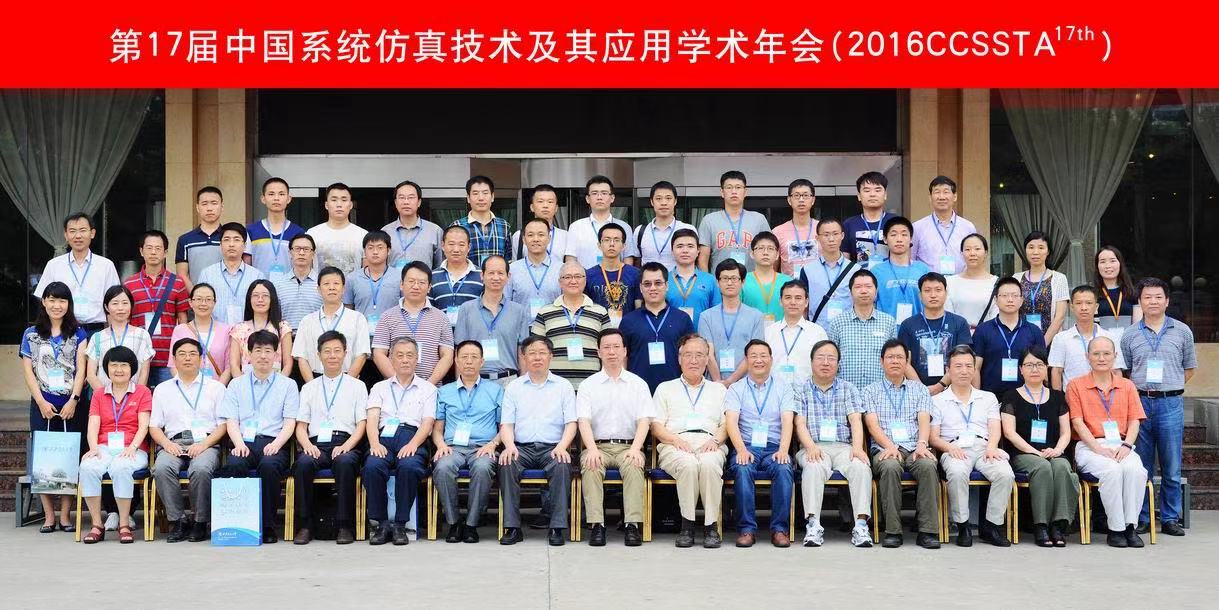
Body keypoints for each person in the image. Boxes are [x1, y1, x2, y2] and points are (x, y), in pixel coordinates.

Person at [1120, 277, 1196, 537]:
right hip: (1139, 403)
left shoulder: (1182, 331)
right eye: (1147, 297)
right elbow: (1127, 370)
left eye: (1158, 297)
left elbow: (1189, 368)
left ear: (1167, 301)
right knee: (1141, 466)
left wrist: (1169, 386)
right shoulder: (1130, 334)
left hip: (1170, 403)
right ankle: (1142, 517)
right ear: (1140, 302)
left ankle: (1170, 517)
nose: (1153, 301)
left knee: (1171, 466)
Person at [218, 330, 299, 543]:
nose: (263, 356)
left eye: (268, 351)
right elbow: (231, 420)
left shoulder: (288, 385)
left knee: (269, 466)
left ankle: (268, 525)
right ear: (249, 354)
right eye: (258, 350)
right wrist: (238, 444)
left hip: (274, 441)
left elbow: (290, 422)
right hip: (243, 441)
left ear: (276, 355)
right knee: (235, 464)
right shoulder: (236, 384)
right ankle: (241, 525)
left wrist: (277, 444)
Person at [21, 281, 89, 533]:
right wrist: (40, 401)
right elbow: (28, 372)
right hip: (42, 403)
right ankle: (49, 516)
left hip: (71, 404)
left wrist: (74, 400)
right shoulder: (31, 334)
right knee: (44, 458)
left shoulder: (79, 333)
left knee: (70, 457)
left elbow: (81, 370)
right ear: (44, 302)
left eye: (62, 300)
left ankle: (65, 516)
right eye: (51, 299)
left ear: (68, 304)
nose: (56, 305)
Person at [576, 329, 654, 547]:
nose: (612, 352)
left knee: (634, 465)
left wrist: (636, 449)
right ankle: (597, 525)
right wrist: (591, 449)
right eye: (607, 347)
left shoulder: (638, 384)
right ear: (599, 352)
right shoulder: (588, 385)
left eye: (616, 347)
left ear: (625, 351)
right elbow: (583, 421)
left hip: (628, 446)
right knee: (591, 464)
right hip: (597, 446)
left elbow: (644, 421)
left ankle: (632, 525)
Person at [930, 345, 1014, 547]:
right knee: (957, 473)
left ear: (975, 369)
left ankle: (992, 526)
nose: (964, 371)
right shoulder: (938, 400)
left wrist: (992, 446)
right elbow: (933, 437)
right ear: (948, 370)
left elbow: (995, 428)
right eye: (958, 366)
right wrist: (949, 448)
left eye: (969, 366)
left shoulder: (987, 397)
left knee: (1005, 474)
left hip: (985, 447)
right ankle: (963, 526)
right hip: (954, 448)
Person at [1069, 335, 1149, 547]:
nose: (1101, 358)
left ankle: (1130, 527)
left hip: (1122, 444)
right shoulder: (1076, 385)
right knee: (1112, 471)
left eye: (1106, 353)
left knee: (1135, 470)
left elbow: (1134, 420)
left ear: (1115, 356)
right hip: (1090, 446)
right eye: (1096, 354)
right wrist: (1098, 448)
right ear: (1087, 357)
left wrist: (1127, 445)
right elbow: (1077, 422)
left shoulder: (1127, 385)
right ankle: (1116, 529)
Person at [497, 336, 578, 546]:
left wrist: (562, 446)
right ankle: (512, 527)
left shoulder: (563, 386)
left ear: (551, 356)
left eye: (542, 353)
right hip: (521, 448)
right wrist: (509, 446)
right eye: (532, 353)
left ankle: (557, 528)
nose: (537, 357)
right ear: (523, 357)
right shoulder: (514, 387)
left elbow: (571, 423)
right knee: (506, 462)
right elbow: (506, 424)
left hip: (553, 448)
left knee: (562, 464)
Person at [650, 334, 729, 548]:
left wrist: (716, 440)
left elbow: (727, 423)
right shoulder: (665, 388)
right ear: (679, 358)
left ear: (707, 359)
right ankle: (687, 525)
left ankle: (711, 526)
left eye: (699, 355)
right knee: (688, 464)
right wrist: (674, 439)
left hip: (710, 441)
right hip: (674, 442)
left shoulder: (719, 390)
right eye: (688, 355)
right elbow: (656, 426)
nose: (693, 360)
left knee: (710, 464)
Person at [793, 339, 874, 548]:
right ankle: (813, 525)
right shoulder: (800, 389)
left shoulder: (848, 388)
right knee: (813, 467)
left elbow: (856, 420)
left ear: (838, 363)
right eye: (821, 358)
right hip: (813, 446)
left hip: (843, 447)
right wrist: (810, 447)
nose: (826, 362)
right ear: (811, 361)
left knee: (860, 466)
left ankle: (861, 525)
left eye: (831, 358)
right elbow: (799, 423)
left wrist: (857, 448)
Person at [291, 331, 368, 545]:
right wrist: (307, 445)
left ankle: (344, 526)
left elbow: (362, 424)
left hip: (346, 442)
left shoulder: (357, 386)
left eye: (337, 351)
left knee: (345, 463)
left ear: (345, 353)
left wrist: (347, 445)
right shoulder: (309, 388)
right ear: (318, 355)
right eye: (327, 351)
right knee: (303, 464)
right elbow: (301, 426)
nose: (332, 355)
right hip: (315, 444)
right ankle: (305, 525)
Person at [862, 340, 941, 549]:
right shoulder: (870, 391)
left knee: (928, 465)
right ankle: (893, 531)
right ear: (881, 361)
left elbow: (924, 419)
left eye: (899, 357)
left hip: (915, 447)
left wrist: (922, 444)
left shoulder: (919, 389)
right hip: (884, 448)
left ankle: (928, 531)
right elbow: (872, 425)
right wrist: (889, 446)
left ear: (907, 361)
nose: (895, 361)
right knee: (889, 467)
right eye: (890, 357)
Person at [149, 338, 227, 543]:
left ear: (201, 359)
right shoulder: (162, 389)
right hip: (173, 443)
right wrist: (167, 444)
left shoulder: (216, 388)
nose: (187, 358)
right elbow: (154, 426)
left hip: (206, 443)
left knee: (201, 469)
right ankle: (178, 521)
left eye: (192, 354)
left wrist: (204, 445)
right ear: (174, 359)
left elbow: (223, 425)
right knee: (161, 468)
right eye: (182, 354)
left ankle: (200, 522)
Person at [1000, 345, 1077, 547]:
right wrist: (1034, 451)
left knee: (1062, 466)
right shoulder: (1011, 396)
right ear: (1020, 369)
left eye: (1039, 364)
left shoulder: (1058, 397)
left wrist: (1058, 450)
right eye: (1029, 365)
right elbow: (1009, 433)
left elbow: (1066, 432)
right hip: (1023, 453)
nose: (1034, 369)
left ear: (1046, 368)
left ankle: (1058, 525)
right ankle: (1041, 525)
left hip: (1053, 451)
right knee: (1042, 467)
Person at [365, 336, 437, 546]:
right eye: (400, 355)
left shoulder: (428, 389)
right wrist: (374, 443)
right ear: (391, 359)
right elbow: (372, 419)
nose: (405, 360)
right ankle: (381, 524)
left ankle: (400, 524)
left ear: (417, 358)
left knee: (409, 467)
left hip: (412, 436)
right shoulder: (379, 387)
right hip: (383, 438)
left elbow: (428, 422)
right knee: (372, 466)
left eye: (410, 355)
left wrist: (413, 444)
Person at [725, 340, 795, 548]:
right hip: (746, 445)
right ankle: (746, 530)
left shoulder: (783, 387)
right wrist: (740, 450)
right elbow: (731, 422)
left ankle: (780, 529)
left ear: (771, 360)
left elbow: (788, 420)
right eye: (753, 356)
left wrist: (783, 450)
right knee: (742, 468)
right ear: (746, 360)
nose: (759, 360)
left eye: (763, 355)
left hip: (774, 446)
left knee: (784, 468)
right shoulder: (736, 388)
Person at [78, 346, 151, 544]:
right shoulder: (99, 394)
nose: (119, 370)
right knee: (88, 467)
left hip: (133, 448)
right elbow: (93, 424)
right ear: (106, 368)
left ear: (132, 368)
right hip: (104, 447)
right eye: (114, 365)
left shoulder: (142, 392)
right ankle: (97, 525)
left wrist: (132, 447)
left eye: (124, 365)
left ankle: (124, 524)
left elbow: (144, 426)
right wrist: (93, 448)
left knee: (121, 467)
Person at [433, 341, 504, 543]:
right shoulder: (444, 391)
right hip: (452, 448)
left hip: (483, 447)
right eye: (464, 357)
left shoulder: (496, 390)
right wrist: (441, 445)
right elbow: (437, 429)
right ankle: (454, 523)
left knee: (483, 468)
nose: (469, 361)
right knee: (443, 467)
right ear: (456, 361)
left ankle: (472, 524)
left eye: (474, 357)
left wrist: (493, 444)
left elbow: (505, 427)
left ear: (482, 361)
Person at [529, 261, 611, 391]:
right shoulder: (545, 312)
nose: (573, 281)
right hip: (554, 386)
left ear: (585, 280)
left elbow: (608, 348)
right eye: (567, 277)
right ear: (560, 282)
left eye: (578, 276)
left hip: (591, 385)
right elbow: (535, 349)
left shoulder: (600, 312)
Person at [33, 212, 121, 332]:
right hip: (62, 329)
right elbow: (43, 298)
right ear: (66, 235)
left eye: (83, 230)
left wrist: (113, 333)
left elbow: (114, 301)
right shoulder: (54, 265)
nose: (78, 236)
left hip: (96, 330)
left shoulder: (106, 265)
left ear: (92, 233)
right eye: (72, 231)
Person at [371, 261, 454, 387]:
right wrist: (400, 383)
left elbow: (447, 356)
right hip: (395, 389)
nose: (416, 286)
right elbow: (379, 354)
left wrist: (427, 386)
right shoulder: (387, 317)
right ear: (401, 284)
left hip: (430, 389)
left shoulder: (441, 318)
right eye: (411, 281)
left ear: (429, 287)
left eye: (421, 282)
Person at [124, 230, 190, 388]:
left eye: (158, 248)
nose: (153, 252)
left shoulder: (177, 282)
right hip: (137, 355)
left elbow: (183, 320)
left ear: (165, 252)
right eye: (149, 248)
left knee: (167, 400)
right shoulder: (129, 284)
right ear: (141, 251)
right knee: (138, 400)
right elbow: (125, 320)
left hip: (168, 358)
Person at [618, 263, 695, 393]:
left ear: (667, 286)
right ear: (640, 288)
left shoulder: (682, 319)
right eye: (647, 284)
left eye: (658, 283)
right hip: (638, 392)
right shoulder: (628, 321)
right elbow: (622, 357)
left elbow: (690, 355)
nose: (653, 288)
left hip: (676, 391)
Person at [455, 255, 531, 386]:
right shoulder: (466, 309)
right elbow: (459, 350)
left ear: (508, 276)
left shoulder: (519, 311)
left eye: (500, 273)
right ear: (482, 275)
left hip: (509, 380)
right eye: (491, 273)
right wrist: (460, 385)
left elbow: (522, 352)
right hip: (475, 380)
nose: (496, 277)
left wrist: (523, 385)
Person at [292, 267, 371, 383]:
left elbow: (362, 354)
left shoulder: (357, 319)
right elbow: (301, 357)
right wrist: (312, 386)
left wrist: (346, 383)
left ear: (343, 289)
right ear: (318, 289)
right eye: (326, 284)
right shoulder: (307, 321)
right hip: (314, 378)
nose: (331, 287)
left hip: (348, 379)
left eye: (336, 283)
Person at [898, 272, 972, 395]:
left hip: (952, 390)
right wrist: (921, 389)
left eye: (938, 290)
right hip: (916, 391)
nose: (933, 295)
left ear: (946, 293)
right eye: (927, 291)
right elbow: (905, 362)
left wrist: (940, 385)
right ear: (920, 295)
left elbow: (963, 360)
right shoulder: (908, 325)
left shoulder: (959, 323)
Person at [971, 277, 1047, 396]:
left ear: (1021, 300)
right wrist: (978, 398)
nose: (1010, 299)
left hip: (1026, 397)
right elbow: (975, 368)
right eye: (1004, 295)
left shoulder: (1034, 331)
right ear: (996, 299)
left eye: (1015, 296)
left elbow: (1041, 367)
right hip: (991, 397)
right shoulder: (983, 330)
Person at [826, 270, 898, 389]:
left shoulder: (888, 322)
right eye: (858, 287)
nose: (864, 291)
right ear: (851, 292)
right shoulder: (837, 323)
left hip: (880, 393)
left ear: (876, 291)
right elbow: (831, 359)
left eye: (868, 286)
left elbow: (893, 359)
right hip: (845, 393)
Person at [698, 260, 766, 386]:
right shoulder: (706, 316)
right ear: (717, 282)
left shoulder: (756, 316)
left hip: (746, 384)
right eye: (725, 278)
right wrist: (719, 383)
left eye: (734, 278)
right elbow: (708, 353)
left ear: (742, 282)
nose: (729, 283)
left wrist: (730, 381)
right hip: (713, 384)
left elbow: (753, 353)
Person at [1048, 285, 1127, 389]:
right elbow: (1057, 372)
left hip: (1105, 395)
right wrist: (1058, 398)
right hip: (1073, 396)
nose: (1084, 308)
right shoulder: (1061, 338)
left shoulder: (1110, 337)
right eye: (1078, 303)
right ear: (1071, 307)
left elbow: (1116, 371)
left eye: (1089, 303)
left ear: (1096, 307)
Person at [697, 170, 770, 272]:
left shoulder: (759, 219)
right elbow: (702, 260)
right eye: (729, 187)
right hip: (719, 281)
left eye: (738, 187)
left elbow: (770, 254)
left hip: (752, 280)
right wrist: (708, 281)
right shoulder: (709, 220)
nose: (734, 191)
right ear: (722, 192)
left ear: (745, 192)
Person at [86, 286, 155, 389]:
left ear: (131, 305)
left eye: (125, 303)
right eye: (115, 303)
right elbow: (91, 375)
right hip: (103, 395)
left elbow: (144, 373)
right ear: (106, 307)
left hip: (134, 396)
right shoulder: (97, 337)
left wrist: (136, 396)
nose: (120, 308)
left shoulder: (142, 335)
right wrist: (104, 396)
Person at [196, 222, 264, 325]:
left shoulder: (257, 276)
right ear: (220, 245)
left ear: (245, 246)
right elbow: (199, 307)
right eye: (227, 239)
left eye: (236, 239)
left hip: (249, 332)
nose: (231, 244)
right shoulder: (207, 274)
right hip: (215, 332)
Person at [764, 281, 827, 386]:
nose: (793, 302)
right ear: (780, 301)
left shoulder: (817, 332)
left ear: (806, 302)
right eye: (788, 297)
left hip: (807, 392)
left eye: (798, 298)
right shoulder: (769, 332)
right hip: (774, 391)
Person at [568, 175, 638, 269]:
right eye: (594, 193)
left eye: (604, 193)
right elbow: (570, 259)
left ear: (612, 198)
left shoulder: (624, 227)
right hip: (585, 277)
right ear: (587, 199)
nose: (599, 197)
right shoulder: (576, 227)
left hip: (616, 277)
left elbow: (628, 259)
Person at [911, 176, 978, 275]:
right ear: (930, 197)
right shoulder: (917, 228)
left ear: (954, 196)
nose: (941, 197)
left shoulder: (968, 227)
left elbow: (974, 258)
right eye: (937, 192)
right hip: (929, 283)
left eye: (946, 192)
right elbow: (911, 260)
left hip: (961, 282)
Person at [344, 231, 403, 342]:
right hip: (360, 337)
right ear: (364, 251)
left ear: (388, 251)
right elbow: (348, 308)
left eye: (380, 247)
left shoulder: (399, 277)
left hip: (393, 337)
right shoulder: (352, 278)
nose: (375, 252)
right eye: (370, 248)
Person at [228, 280, 295, 377]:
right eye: (255, 295)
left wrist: (279, 384)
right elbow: (234, 365)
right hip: (246, 382)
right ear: (249, 299)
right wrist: (242, 385)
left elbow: (288, 364)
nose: (260, 299)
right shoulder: (238, 329)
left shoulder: (283, 328)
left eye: (265, 296)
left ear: (272, 299)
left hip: (276, 381)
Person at [168, 283, 232, 384]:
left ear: (214, 303)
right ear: (190, 302)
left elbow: (229, 366)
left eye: (208, 299)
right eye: (198, 299)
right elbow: (173, 364)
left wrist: (219, 388)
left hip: (217, 387)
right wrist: (186, 386)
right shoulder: (180, 330)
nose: (203, 303)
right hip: (188, 387)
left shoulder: (226, 330)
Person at [872, 216, 931, 324]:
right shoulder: (876, 271)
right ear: (885, 239)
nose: (899, 239)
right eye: (893, 235)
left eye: (904, 234)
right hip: (886, 330)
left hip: (919, 329)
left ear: (911, 238)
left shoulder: (923, 269)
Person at [798, 217, 856, 325]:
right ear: (817, 238)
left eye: (835, 234)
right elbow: (803, 305)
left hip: (847, 329)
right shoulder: (807, 270)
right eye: (826, 235)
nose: (831, 239)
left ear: (842, 235)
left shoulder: (855, 270)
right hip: (817, 329)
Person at [245, 177, 305, 282]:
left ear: (288, 199)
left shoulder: (298, 232)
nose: (276, 198)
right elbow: (247, 265)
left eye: (281, 194)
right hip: (259, 288)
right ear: (263, 199)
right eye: (271, 194)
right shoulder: (251, 231)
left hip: (289, 288)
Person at [1014, 230, 1069, 344]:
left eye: (1041, 247)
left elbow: (1060, 317)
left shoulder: (1059, 278)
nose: (1035, 252)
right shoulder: (1016, 278)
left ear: (1048, 251)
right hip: (1021, 340)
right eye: (1031, 247)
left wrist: (1042, 344)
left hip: (1051, 342)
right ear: (1025, 250)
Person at [584, 223, 642, 326]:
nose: (611, 244)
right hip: (598, 328)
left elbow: (639, 308)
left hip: (628, 329)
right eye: (607, 240)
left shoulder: (635, 274)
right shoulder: (588, 275)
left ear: (623, 246)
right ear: (599, 245)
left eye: (616, 240)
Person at [507, 218, 562, 318]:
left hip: (553, 324)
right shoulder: (512, 270)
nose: (536, 239)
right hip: (521, 326)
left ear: (549, 238)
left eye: (541, 235)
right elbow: (506, 303)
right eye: (530, 235)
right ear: (524, 240)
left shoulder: (561, 269)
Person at [308, 182, 368, 275]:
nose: (339, 204)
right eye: (334, 200)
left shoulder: (363, 235)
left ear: (351, 205)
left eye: (344, 200)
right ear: (326, 205)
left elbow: (367, 274)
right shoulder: (313, 234)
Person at [430, 225, 485, 326]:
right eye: (451, 244)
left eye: (461, 245)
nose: (456, 249)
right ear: (443, 245)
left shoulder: (481, 276)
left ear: (469, 247)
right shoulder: (432, 276)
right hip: (439, 333)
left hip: (471, 333)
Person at [633, 180, 694, 269]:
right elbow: (636, 261)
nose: (664, 203)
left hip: (678, 278)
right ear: (652, 202)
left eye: (668, 198)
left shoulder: (688, 229)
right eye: (658, 198)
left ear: (675, 201)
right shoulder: (640, 231)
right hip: (649, 278)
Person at [383, 179, 444, 269]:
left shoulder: (435, 231)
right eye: (402, 198)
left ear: (419, 202)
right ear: (395, 203)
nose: (406, 202)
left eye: (411, 197)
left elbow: (440, 266)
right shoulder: (385, 232)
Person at [452, 175, 512, 266]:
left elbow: (509, 260)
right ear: (468, 198)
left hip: (496, 275)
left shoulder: (504, 226)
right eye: (475, 193)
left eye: (485, 193)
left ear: (492, 197)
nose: (481, 198)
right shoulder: (457, 226)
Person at [666, 228, 720, 327]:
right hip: (671, 334)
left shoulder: (710, 280)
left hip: (702, 334)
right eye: (679, 246)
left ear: (698, 250)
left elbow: (717, 313)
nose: (685, 251)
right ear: (672, 250)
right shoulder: (664, 280)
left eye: (690, 246)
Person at [945, 233, 999, 331]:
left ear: (986, 253)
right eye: (967, 249)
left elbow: (996, 315)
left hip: (986, 335)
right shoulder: (950, 282)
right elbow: (948, 314)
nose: (972, 253)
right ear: (961, 253)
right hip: (957, 336)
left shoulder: (996, 282)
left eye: (977, 249)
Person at [841, 172, 896, 269]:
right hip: (859, 277)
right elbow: (845, 260)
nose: (872, 194)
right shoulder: (848, 224)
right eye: (867, 190)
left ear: (885, 195)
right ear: (859, 196)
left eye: (877, 190)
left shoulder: (896, 222)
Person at [174, 186, 225, 287]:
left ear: (222, 206)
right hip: (196, 296)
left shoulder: (230, 239)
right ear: (197, 207)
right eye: (204, 204)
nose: (209, 208)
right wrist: (196, 294)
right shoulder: (185, 240)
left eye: (214, 203)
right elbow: (182, 275)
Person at [272, 233, 322, 332]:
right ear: (290, 253)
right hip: (286, 337)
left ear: (313, 254)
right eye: (297, 249)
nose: (301, 253)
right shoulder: (278, 284)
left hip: (315, 336)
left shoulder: (322, 283)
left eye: (306, 249)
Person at [511, 184, 572, 263]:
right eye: (540, 201)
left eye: (550, 202)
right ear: (532, 207)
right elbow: (515, 265)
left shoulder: (566, 236)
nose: (545, 206)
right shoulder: (519, 236)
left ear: (556, 208)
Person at [740, 231, 791, 322]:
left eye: (770, 248)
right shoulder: (741, 281)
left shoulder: (788, 282)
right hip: (750, 330)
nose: (765, 252)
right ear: (752, 253)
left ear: (777, 255)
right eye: (760, 248)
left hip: (781, 330)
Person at [772, 178, 819, 276]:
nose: (801, 200)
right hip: (788, 285)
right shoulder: (777, 232)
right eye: (796, 195)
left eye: (805, 195)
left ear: (813, 200)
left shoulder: (822, 229)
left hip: (818, 285)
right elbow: (773, 270)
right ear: (789, 200)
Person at [1094, 245, 1142, 331]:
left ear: (1120, 264)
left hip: (1128, 338)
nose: (1108, 266)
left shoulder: (1132, 293)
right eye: (1102, 262)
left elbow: (1137, 326)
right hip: (1101, 339)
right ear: (1097, 266)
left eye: (1112, 261)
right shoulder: (1093, 294)